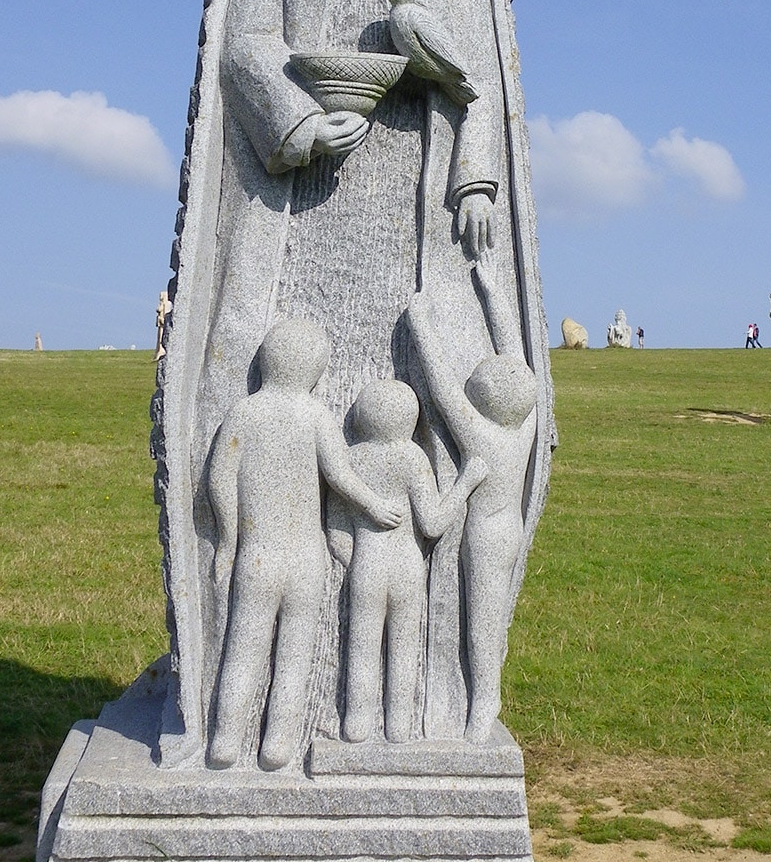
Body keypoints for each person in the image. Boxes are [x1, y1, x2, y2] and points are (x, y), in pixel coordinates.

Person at [155, 0, 555, 755]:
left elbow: (488, 90)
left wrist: (471, 168)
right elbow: (246, 40)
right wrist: (295, 120)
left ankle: (400, 705)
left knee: (423, 407)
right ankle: (257, 701)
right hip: (294, 221)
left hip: (418, 234)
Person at [206, 318, 402, 771]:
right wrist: (373, 505)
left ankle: (225, 740)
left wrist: (229, 541)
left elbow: (219, 481)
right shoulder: (315, 414)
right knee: (294, 654)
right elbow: (340, 475)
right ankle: (277, 745)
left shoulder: (244, 413)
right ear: (315, 371)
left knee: (244, 646)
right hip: (305, 559)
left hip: (257, 557)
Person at [406, 249, 537, 741]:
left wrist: (421, 325)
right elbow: (514, 351)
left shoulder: (480, 436)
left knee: (482, 624)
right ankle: (484, 695)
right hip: (510, 529)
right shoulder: (523, 425)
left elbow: (440, 387)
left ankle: (484, 699)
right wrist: (491, 289)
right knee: (489, 617)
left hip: (484, 537)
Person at [331, 380, 485, 744]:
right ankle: (399, 725)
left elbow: (336, 530)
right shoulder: (412, 457)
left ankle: (357, 722)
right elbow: (432, 524)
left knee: (362, 647)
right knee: (403, 646)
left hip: (367, 565)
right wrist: (465, 482)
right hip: (407, 567)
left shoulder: (352, 459)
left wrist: (356, 558)